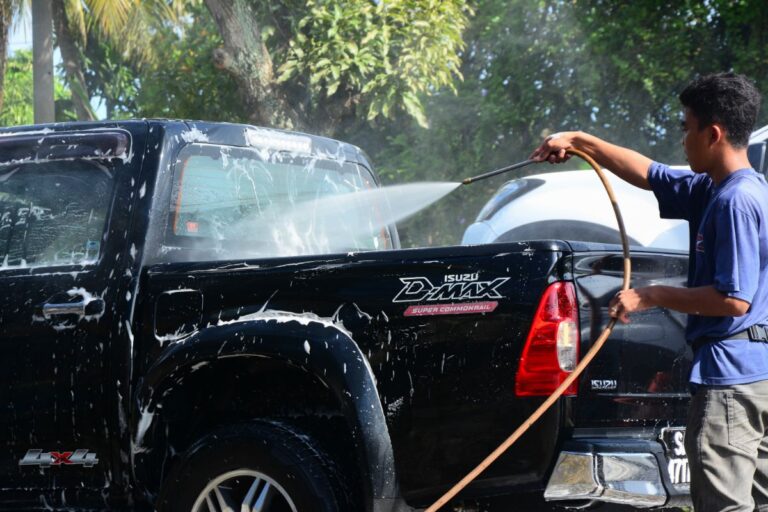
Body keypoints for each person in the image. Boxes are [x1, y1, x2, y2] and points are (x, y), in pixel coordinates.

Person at [530, 72, 768, 512]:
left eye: (686, 128)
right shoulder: (720, 190)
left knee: (725, 506)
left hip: (731, 381)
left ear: (712, 133)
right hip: (757, 376)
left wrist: (651, 295)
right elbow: (648, 174)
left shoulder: (734, 201)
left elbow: (734, 299)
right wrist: (580, 140)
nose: (682, 140)